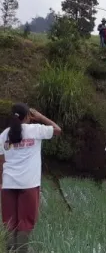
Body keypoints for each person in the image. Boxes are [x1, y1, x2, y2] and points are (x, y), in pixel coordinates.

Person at [0, 103, 61, 252]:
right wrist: (40, 117)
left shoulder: (4, 135)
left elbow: (1, 162)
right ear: (28, 116)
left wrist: (1, 183)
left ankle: (10, 250)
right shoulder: (35, 130)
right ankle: (22, 250)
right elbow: (58, 130)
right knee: (25, 222)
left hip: (8, 184)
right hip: (28, 184)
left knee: (9, 222)